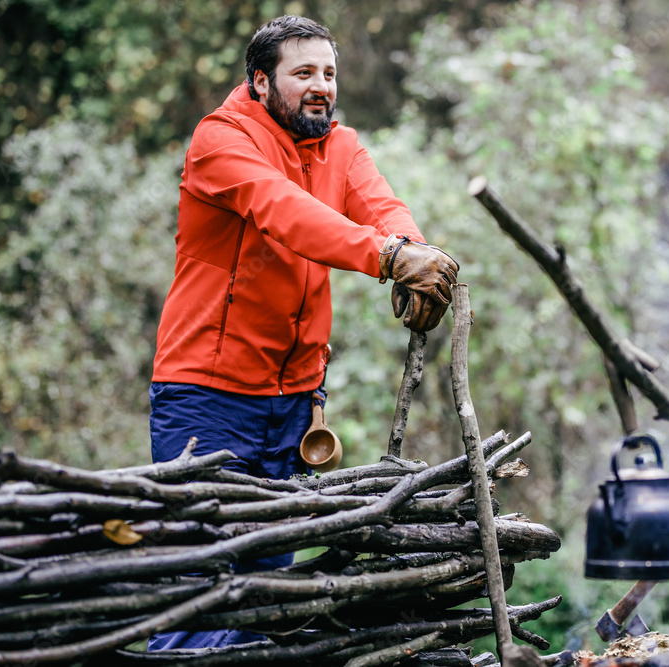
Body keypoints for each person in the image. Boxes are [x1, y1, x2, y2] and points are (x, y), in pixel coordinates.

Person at [147, 15, 458, 650]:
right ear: (260, 81)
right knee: (198, 592)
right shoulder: (221, 141)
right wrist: (389, 259)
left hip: (295, 402)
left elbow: (384, 210)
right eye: (303, 73)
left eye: (329, 73)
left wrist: (417, 262)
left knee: (267, 600)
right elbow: (286, 213)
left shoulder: (340, 149)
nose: (321, 86)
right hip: (208, 397)